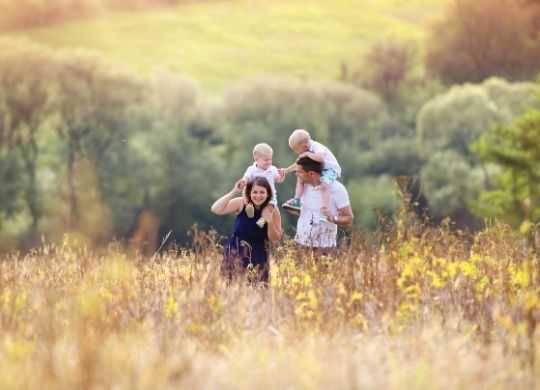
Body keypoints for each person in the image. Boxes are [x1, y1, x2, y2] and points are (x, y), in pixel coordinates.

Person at [211, 177, 282, 283]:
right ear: (249, 192)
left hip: (259, 255)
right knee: (232, 289)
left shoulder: (272, 209)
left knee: (259, 291)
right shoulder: (242, 203)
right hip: (235, 252)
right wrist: (234, 191)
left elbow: (275, 238)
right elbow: (216, 209)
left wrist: (269, 221)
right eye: (255, 192)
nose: (258, 195)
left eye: (262, 192)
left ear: (268, 194)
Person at [291, 156, 353, 250]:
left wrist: (333, 218)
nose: (296, 174)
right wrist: (293, 208)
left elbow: (349, 218)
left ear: (311, 174)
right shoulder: (303, 187)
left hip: (325, 248)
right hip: (300, 245)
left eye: (299, 172)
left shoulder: (337, 189)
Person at [281, 129, 342, 222]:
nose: (298, 153)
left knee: (324, 186)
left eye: (297, 150)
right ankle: (297, 200)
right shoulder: (306, 150)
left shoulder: (316, 147)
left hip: (330, 169)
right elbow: (298, 164)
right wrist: (286, 171)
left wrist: (308, 154)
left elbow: (321, 158)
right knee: (300, 176)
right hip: (319, 169)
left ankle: (325, 209)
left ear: (304, 146)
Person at [240, 143, 284, 218]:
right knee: (245, 191)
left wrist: (282, 176)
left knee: (268, 211)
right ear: (256, 159)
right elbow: (246, 177)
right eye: (266, 160)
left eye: (270, 159)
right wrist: (244, 181)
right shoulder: (252, 169)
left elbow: (278, 180)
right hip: (254, 195)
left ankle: (261, 224)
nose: (269, 162)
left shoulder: (272, 169)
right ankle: (248, 206)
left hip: (269, 197)